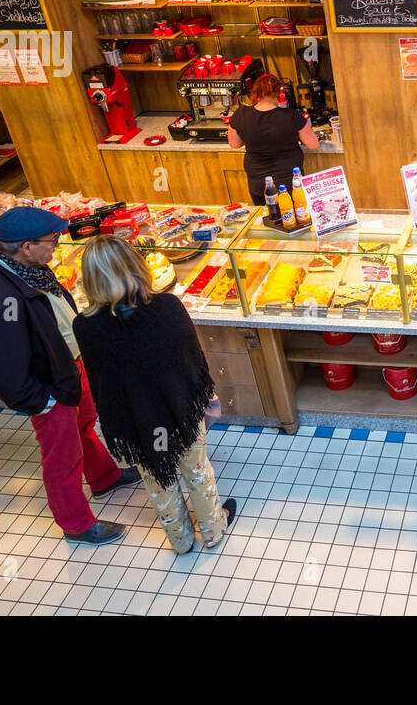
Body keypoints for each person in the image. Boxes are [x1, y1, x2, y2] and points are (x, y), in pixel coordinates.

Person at [0, 207, 139, 546]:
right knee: (62, 455)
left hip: (69, 365)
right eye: (52, 240)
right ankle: (76, 523)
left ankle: (104, 477)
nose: (57, 245)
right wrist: (41, 401)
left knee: (85, 423)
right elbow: (2, 366)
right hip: (49, 385)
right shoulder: (0, 299)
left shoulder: (27, 268)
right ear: (26, 246)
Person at [72, 235, 237, 553]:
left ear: (91, 279)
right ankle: (213, 531)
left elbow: (101, 382)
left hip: (136, 422)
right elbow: (193, 361)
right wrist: (201, 396)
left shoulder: (86, 326)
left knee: (158, 481)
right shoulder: (167, 307)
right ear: (136, 267)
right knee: (198, 472)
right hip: (180, 411)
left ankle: (181, 541)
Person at [227, 73, 319, 206]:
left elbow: (235, 144)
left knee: (268, 219)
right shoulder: (292, 115)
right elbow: (313, 144)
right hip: (290, 184)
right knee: (295, 219)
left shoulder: (240, 115)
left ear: (256, 92)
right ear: (278, 92)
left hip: (259, 185)